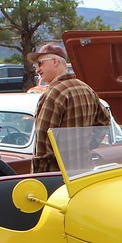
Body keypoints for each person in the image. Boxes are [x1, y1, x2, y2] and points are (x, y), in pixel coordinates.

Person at [27, 42, 110, 173]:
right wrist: (86, 147)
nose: (37, 69)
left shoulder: (53, 94)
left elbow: (42, 147)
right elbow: (104, 121)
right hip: (83, 172)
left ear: (54, 61)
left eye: (40, 63)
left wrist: (37, 178)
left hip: (57, 176)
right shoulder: (86, 89)